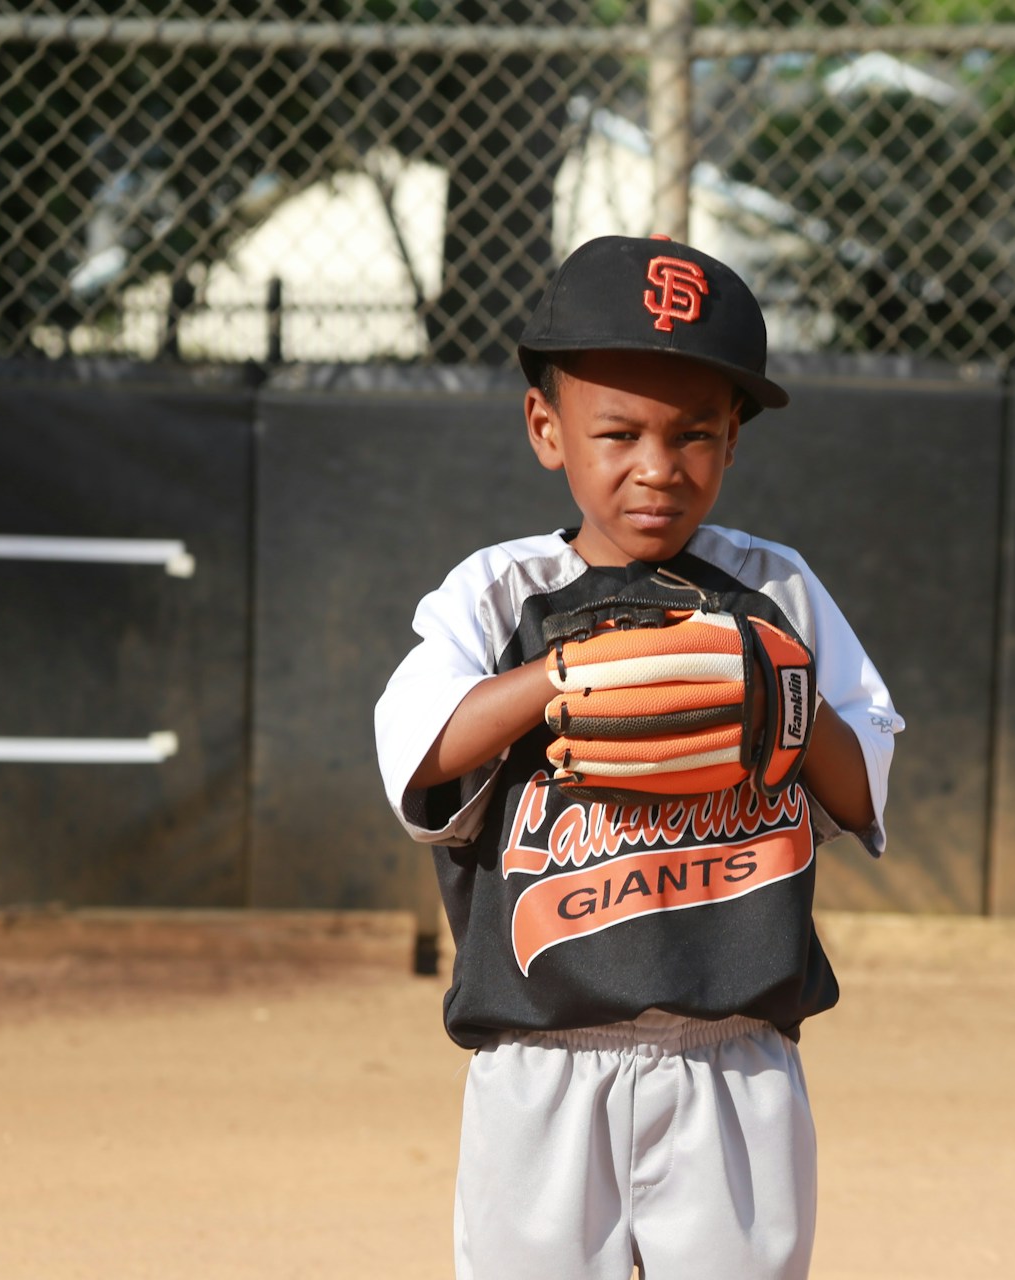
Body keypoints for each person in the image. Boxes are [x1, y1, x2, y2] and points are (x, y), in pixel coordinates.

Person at [373, 233, 903, 1280]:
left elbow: (861, 780)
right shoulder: (498, 591)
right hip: (541, 1054)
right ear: (546, 428)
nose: (659, 467)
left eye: (696, 434)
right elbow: (419, 747)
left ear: (735, 441)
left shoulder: (777, 593)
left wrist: (778, 692)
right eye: (617, 432)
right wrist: (565, 681)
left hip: (734, 1051)